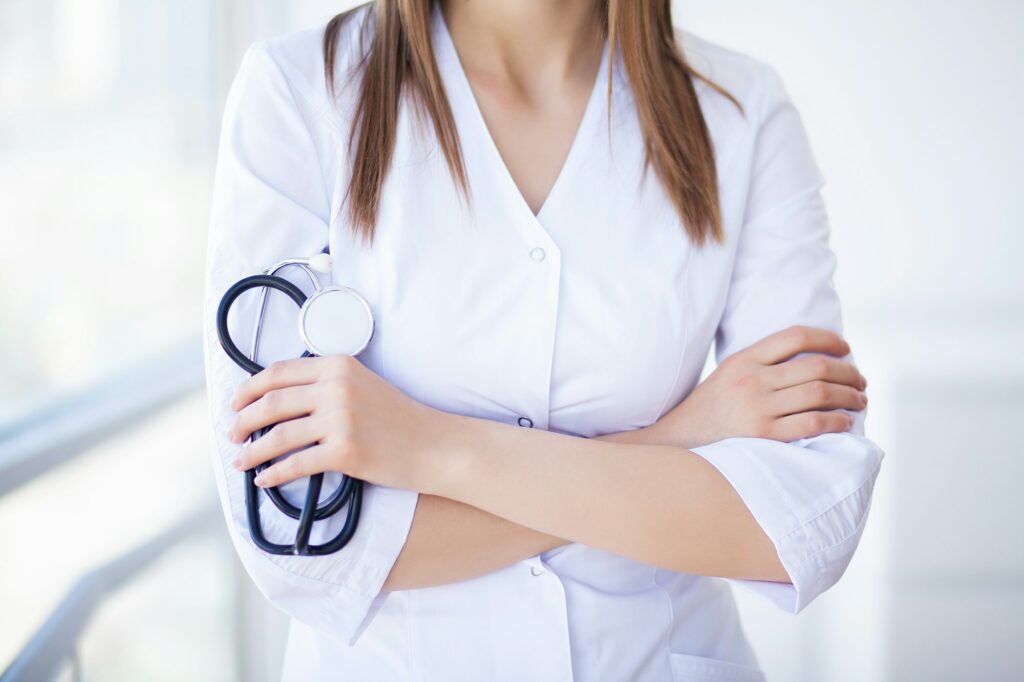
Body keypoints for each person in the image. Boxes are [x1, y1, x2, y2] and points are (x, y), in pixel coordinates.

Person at [202, 1, 883, 679]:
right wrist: (674, 440)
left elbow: (797, 525)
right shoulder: (299, 93)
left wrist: (430, 448)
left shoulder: (741, 110)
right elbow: (303, 547)